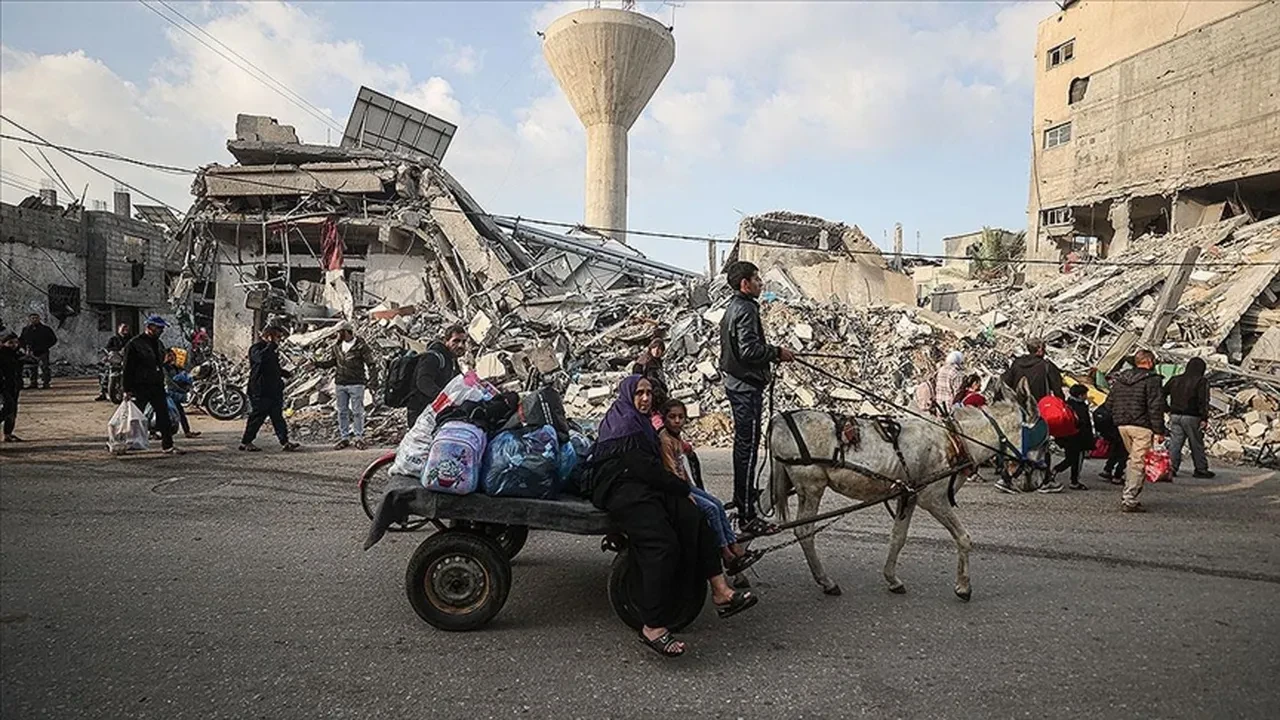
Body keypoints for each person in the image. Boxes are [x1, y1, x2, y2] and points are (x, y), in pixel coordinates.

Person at [584, 375, 759, 657]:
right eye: (639, 393)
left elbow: (651, 470)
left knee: (695, 516)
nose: (644, 398)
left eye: (649, 393)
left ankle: (721, 591)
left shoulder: (642, 423)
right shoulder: (623, 421)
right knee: (660, 544)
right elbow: (641, 467)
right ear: (628, 394)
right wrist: (679, 487)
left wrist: (680, 492)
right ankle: (652, 626)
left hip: (643, 484)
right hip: (621, 489)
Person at [718, 260, 795, 532]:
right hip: (745, 387)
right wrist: (776, 353)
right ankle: (748, 513)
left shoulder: (732, 308)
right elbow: (749, 351)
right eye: (757, 280)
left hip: (737, 383)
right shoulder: (746, 308)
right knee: (748, 448)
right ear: (745, 284)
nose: (761, 284)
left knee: (744, 446)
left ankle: (745, 494)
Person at [658, 400, 760, 575]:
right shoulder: (665, 440)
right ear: (664, 419)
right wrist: (686, 494)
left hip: (686, 485)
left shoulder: (676, 437)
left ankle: (733, 544)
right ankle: (725, 552)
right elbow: (672, 471)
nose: (677, 421)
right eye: (672, 417)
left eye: (680, 417)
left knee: (718, 504)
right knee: (711, 510)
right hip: (678, 489)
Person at [997, 338, 1064, 494]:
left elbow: (1003, 383)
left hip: (1018, 411)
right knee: (1042, 445)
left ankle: (1007, 478)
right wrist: (1061, 406)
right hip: (1039, 411)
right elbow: (1058, 391)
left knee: (1019, 444)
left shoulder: (1016, 364)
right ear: (1040, 349)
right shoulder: (1046, 366)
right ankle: (1045, 480)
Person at [1107, 349, 1167, 513]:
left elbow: (1109, 402)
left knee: (1132, 458)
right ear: (1148, 362)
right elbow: (1155, 407)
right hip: (1142, 426)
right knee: (1137, 462)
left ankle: (1130, 491)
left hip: (1122, 425)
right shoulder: (1152, 381)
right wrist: (1159, 430)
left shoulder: (1120, 379)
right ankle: (1130, 498)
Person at [314, 322, 380, 450]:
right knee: (342, 411)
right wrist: (316, 364)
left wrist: (373, 382)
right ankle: (344, 437)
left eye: (340, 332)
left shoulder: (361, 346)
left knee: (357, 412)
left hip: (356, 383)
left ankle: (358, 437)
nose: (338, 335)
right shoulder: (337, 346)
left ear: (347, 331)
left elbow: (371, 364)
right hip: (341, 383)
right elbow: (332, 362)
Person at [121, 315, 177, 454]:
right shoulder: (135, 344)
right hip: (140, 386)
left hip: (156, 385)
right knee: (134, 417)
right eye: (159, 328)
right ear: (150, 327)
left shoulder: (158, 344)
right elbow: (127, 368)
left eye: (162, 328)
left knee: (163, 415)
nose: (161, 331)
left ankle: (167, 445)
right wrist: (126, 389)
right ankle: (124, 442)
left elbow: (159, 363)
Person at [239, 324, 299, 452]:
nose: (279, 340)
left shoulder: (272, 351)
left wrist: (284, 373)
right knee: (257, 417)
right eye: (277, 337)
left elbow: (272, 367)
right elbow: (260, 359)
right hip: (260, 390)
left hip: (273, 389)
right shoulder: (256, 348)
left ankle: (285, 442)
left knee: (277, 417)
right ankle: (246, 442)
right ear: (269, 337)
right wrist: (271, 345)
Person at [406, 325, 466, 426]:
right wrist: (444, 398)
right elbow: (423, 382)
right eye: (456, 341)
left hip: (435, 411)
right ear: (446, 341)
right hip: (420, 412)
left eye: (463, 342)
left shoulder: (451, 361)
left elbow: (459, 382)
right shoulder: (433, 357)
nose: (461, 345)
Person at [1164, 357, 1213, 478]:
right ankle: (1201, 469)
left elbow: (1161, 392)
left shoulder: (1176, 379)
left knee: (1175, 443)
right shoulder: (1201, 381)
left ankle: (1171, 468)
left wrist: (1166, 408)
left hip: (1175, 415)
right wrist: (1204, 418)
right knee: (1196, 443)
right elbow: (1203, 400)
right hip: (1192, 416)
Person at [1051, 384, 1094, 490]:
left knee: (1070, 458)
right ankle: (1074, 481)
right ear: (1080, 396)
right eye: (1085, 394)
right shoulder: (1081, 408)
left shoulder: (1066, 405)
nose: (1086, 396)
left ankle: (1056, 471)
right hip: (1078, 439)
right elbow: (1084, 425)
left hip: (1066, 438)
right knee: (1076, 460)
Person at [163, 349, 199, 438]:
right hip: (168, 393)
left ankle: (187, 431)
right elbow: (168, 382)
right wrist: (180, 389)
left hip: (174, 394)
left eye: (173, 355)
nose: (171, 357)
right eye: (169, 355)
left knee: (180, 413)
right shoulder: (164, 368)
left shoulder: (175, 367)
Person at [631, 338, 669, 414]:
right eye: (654, 347)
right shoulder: (643, 362)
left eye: (660, 349)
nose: (656, 350)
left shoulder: (657, 361)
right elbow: (636, 379)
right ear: (650, 348)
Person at [19, 313, 57, 390]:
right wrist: (25, 348)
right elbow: (21, 340)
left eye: (36, 318)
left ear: (39, 319)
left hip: (43, 351)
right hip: (31, 352)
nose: (34, 319)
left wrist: (45, 346)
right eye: (32, 318)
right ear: (29, 319)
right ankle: (33, 383)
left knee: (44, 367)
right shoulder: (26, 329)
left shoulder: (46, 329)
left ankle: (46, 383)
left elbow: (53, 339)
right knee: (32, 368)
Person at [97, 323, 132, 401]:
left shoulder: (131, 339)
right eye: (123, 328)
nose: (125, 330)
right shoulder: (113, 339)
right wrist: (116, 351)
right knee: (103, 372)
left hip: (128, 360)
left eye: (126, 328)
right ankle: (102, 392)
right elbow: (108, 348)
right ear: (119, 328)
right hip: (116, 360)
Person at [1093, 400, 1126, 484]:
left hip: (1111, 429)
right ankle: (1118, 475)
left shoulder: (1114, 396)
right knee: (1124, 452)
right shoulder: (1130, 400)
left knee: (1116, 449)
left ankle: (1107, 469)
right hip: (1122, 426)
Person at [0, 332, 24, 442]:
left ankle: (8, 434)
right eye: (10, 343)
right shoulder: (1, 354)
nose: (14, 345)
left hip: (14, 385)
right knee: (8, 406)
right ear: (3, 343)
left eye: (15, 342)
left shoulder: (16, 354)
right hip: (3, 386)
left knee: (13, 410)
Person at [934, 350, 965, 415]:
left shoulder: (941, 369)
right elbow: (957, 392)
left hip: (939, 404)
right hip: (950, 406)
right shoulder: (957, 373)